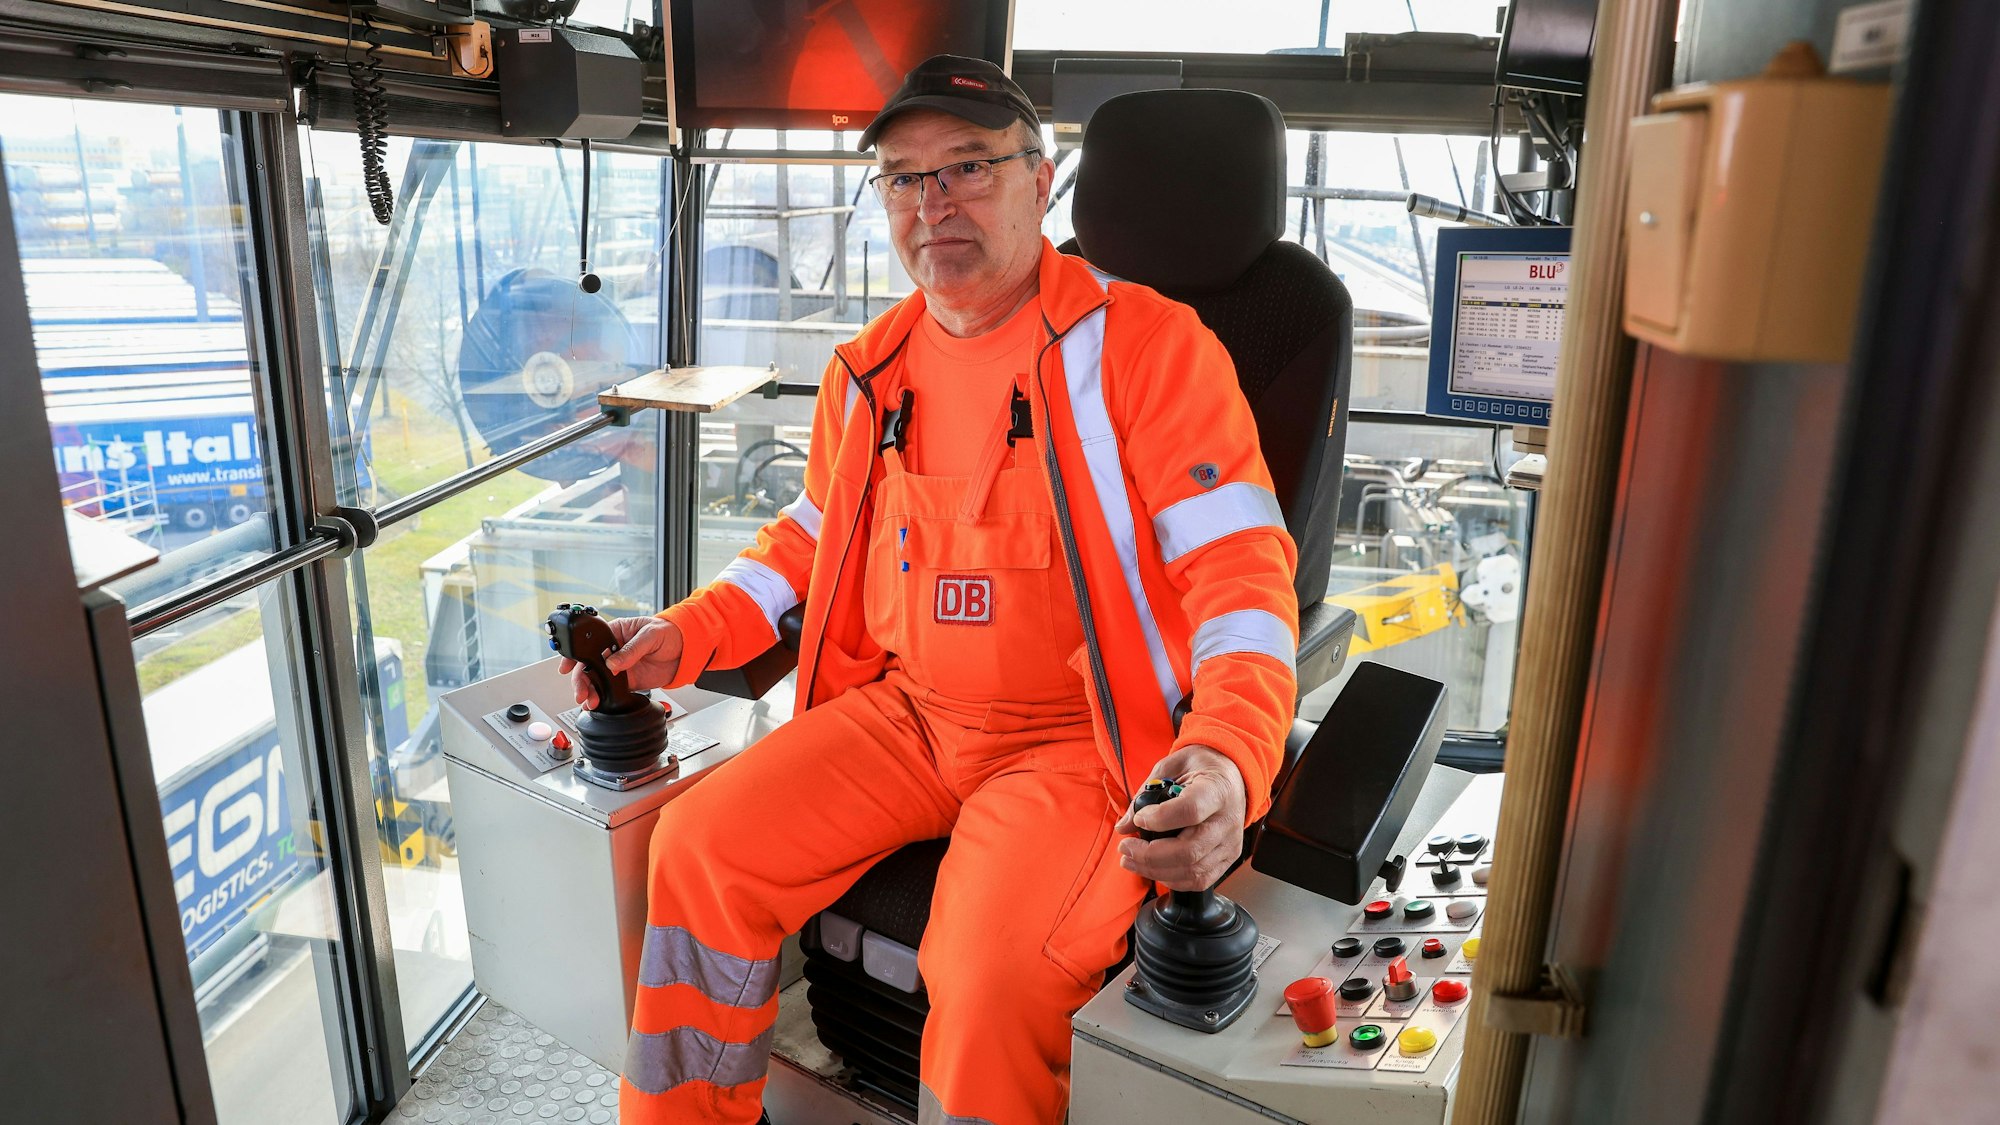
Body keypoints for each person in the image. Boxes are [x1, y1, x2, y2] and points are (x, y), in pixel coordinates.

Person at [570, 54, 1300, 1125]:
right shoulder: (868, 370)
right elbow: (809, 539)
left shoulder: (1147, 350)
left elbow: (1238, 573)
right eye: (904, 180)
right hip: (907, 717)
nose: (933, 203)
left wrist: (1230, 752)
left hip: (1079, 741)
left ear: (1038, 182)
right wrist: (690, 631)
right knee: (697, 849)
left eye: (967, 167)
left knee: (996, 973)